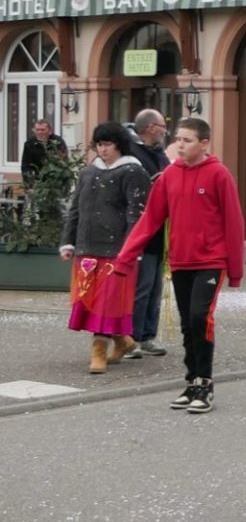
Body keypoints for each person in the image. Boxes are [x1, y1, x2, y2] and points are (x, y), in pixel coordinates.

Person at [113, 116, 246, 415]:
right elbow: (150, 220)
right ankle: (191, 381)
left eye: (187, 140)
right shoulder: (169, 176)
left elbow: (234, 223)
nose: (180, 145)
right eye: (178, 139)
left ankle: (205, 383)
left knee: (200, 317)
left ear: (204, 143)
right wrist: (125, 257)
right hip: (181, 260)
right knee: (188, 323)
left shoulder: (219, 175)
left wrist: (235, 270)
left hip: (211, 260)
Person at [59, 123, 150, 374]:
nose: (103, 149)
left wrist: (131, 249)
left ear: (119, 145)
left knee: (107, 303)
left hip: (116, 250)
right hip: (87, 247)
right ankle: (123, 341)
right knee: (88, 301)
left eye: (108, 144)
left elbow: (137, 215)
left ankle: (98, 352)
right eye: (99, 145)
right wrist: (68, 242)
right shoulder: (88, 172)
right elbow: (75, 209)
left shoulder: (133, 172)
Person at [125, 110, 170, 358]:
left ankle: (147, 335)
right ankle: (131, 338)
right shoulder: (133, 154)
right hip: (142, 230)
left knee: (154, 288)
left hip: (160, 229)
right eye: (163, 125)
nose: (165, 130)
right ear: (151, 128)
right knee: (141, 287)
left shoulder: (159, 152)